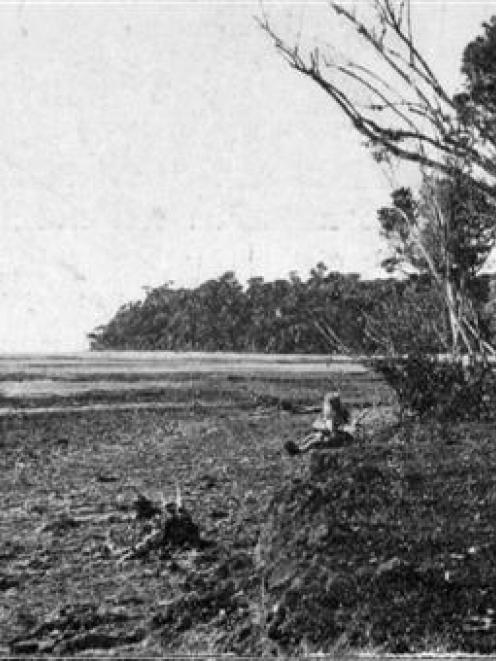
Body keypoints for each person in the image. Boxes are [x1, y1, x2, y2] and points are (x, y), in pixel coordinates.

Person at [284, 391, 354, 456]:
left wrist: (320, 427)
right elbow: (316, 409)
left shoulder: (335, 416)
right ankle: (298, 444)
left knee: (315, 440)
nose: (324, 405)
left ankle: (300, 450)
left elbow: (331, 429)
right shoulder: (333, 412)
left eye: (326, 404)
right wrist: (301, 410)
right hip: (332, 435)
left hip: (336, 438)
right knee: (312, 436)